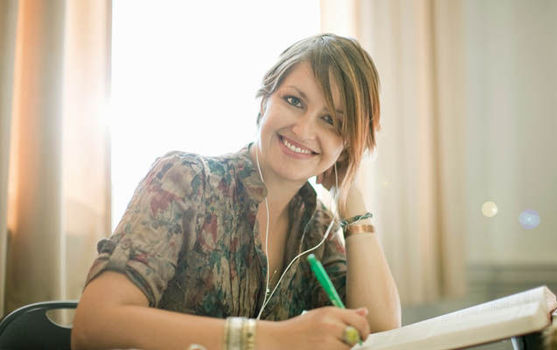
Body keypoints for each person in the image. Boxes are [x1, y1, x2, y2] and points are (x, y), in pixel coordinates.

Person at [72, 33, 401, 350]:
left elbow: (382, 335)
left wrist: (350, 198)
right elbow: (94, 324)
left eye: (331, 120)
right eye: (294, 101)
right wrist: (272, 338)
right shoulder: (185, 180)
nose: (303, 129)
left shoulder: (318, 228)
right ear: (263, 102)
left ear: (346, 147)